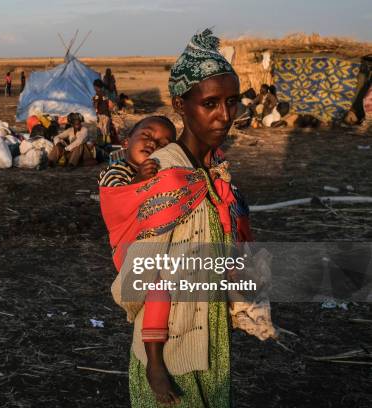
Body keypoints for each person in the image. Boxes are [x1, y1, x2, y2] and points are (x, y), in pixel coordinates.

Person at [101, 29, 271, 408]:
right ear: (180, 104)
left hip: (212, 338)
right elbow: (138, 278)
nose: (224, 115)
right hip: (169, 349)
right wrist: (156, 361)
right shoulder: (164, 175)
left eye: (231, 102)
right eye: (209, 103)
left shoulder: (216, 171)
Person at [98, 116, 176, 186]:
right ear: (126, 142)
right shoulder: (113, 173)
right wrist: (139, 180)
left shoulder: (162, 172)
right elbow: (117, 199)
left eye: (163, 144)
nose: (153, 143)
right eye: (146, 135)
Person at [93, 79, 115, 145]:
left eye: (94, 86)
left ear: (96, 86)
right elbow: (109, 103)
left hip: (102, 114)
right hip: (107, 114)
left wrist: (96, 111)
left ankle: (103, 144)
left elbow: (96, 104)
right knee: (106, 130)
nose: (94, 88)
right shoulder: (105, 93)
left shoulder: (97, 94)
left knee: (101, 130)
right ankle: (107, 144)